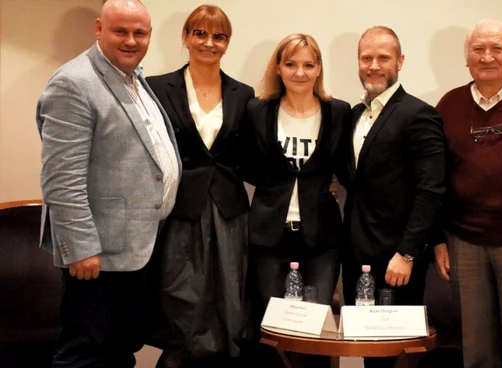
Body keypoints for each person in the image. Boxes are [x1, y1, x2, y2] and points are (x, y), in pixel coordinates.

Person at [36, 0, 181, 366]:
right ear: (99, 29)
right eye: (121, 31)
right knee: (83, 353)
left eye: (140, 32)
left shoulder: (132, 77)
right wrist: (81, 248)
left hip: (135, 245)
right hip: (96, 254)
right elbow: (61, 178)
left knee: (120, 348)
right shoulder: (74, 83)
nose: (131, 40)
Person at [431, 19, 502, 368]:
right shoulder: (448, 105)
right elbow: (436, 178)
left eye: (497, 48)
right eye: (478, 49)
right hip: (464, 244)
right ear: (466, 58)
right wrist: (439, 239)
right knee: (478, 350)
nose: (487, 57)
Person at [145, 5, 255, 367]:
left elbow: (252, 155)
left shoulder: (243, 93)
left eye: (219, 36)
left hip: (230, 210)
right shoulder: (156, 87)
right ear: (186, 37)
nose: (209, 43)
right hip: (180, 210)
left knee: (230, 301)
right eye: (200, 34)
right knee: (182, 300)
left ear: (227, 43)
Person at [340, 26, 446, 368]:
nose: (373, 65)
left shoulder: (419, 114)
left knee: (400, 354)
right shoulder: (355, 116)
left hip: (398, 260)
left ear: (399, 61)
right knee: (370, 351)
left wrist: (408, 253)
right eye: (366, 57)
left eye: (383, 57)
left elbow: (431, 189)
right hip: (358, 254)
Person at [245, 33, 350, 368]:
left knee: (315, 328)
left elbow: (348, 164)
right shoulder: (258, 110)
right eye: (291, 64)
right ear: (278, 68)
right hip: (269, 235)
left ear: (319, 69)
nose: (300, 72)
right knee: (272, 329)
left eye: (308, 64)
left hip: (321, 237)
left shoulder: (339, 112)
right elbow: (245, 163)